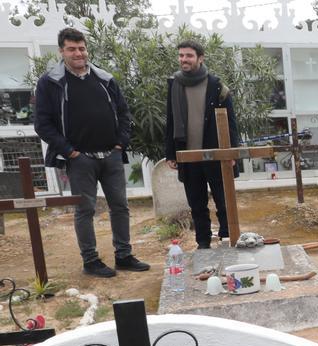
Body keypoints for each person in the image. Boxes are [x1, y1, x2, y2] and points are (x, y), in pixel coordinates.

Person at [34, 27, 149, 278]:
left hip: (111, 155)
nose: (78, 53)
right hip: (80, 160)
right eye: (72, 49)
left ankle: (124, 255)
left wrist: (120, 144)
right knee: (85, 210)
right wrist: (70, 152)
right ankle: (91, 260)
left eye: (82, 48)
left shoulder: (105, 78)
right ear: (61, 51)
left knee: (120, 207)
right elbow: (42, 124)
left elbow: (124, 113)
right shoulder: (50, 83)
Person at [162, 39, 240, 249]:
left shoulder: (216, 85)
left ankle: (227, 238)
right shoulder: (174, 84)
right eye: (181, 55)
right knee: (196, 204)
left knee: (224, 202)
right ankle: (203, 242)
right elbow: (170, 119)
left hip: (217, 154)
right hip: (189, 156)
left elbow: (231, 121)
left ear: (200, 58)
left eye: (188, 55)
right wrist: (171, 152)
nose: (183, 59)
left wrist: (233, 152)